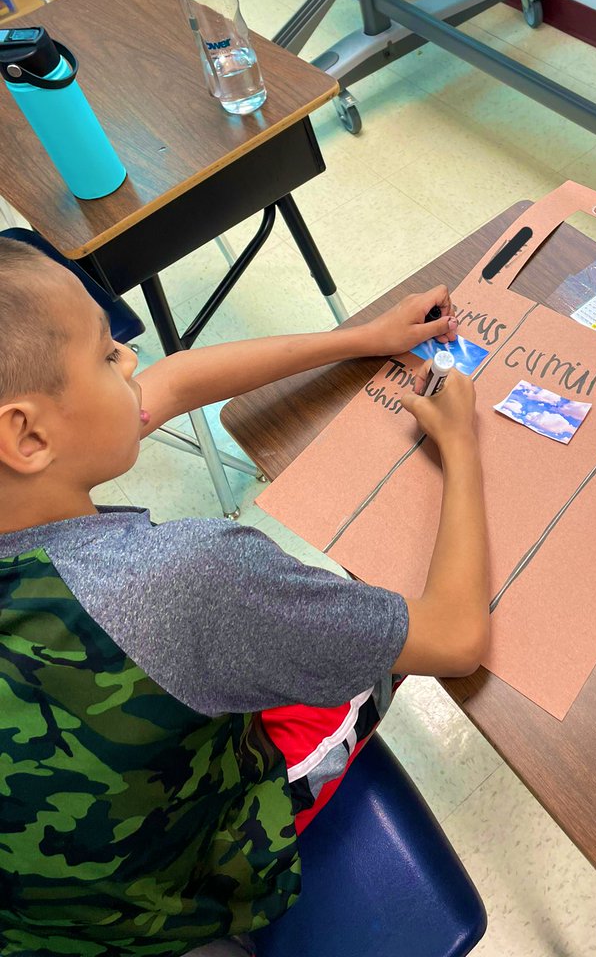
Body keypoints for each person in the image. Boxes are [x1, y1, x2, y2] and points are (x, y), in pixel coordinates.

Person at [0, 237, 489, 956]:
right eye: (109, 355)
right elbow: (456, 637)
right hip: (171, 905)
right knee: (366, 637)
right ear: (27, 433)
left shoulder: (26, 467)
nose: (133, 363)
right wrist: (462, 444)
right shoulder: (184, 579)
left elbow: (173, 381)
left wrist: (364, 338)